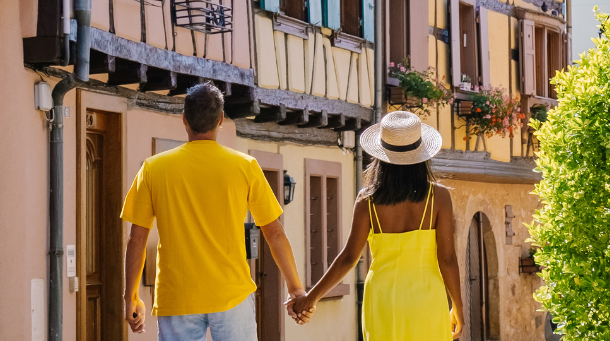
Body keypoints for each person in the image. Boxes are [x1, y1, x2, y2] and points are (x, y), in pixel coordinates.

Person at [121, 83, 309, 340]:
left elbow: (137, 239)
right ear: (221, 119)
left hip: (177, 297)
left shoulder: (153, 169)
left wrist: (131, 297)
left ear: (184, 120)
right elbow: (274, 233)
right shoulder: (245, 167)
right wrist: (296, 289)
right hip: (231, 294)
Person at [289, 111, 465, 340]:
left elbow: (349, 257)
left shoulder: (367, 200)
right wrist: (458, 308)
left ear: (381, 156)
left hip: (382, 298)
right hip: (426, 297)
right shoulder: (439, 197)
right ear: (421, 155)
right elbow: (448, 259)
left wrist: (310, 299)